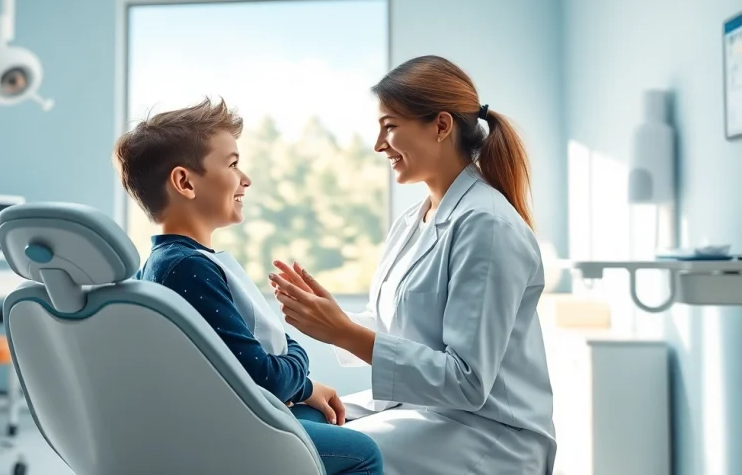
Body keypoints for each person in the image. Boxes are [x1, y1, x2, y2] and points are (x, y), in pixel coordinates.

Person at [269, 55, 557, 475]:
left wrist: (344, 332)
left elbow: (467, 381)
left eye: (390, 126)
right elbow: (403, 328)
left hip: (487, 432)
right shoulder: (413, 221)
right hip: (425, 413)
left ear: (441, 126)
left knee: (297, 452)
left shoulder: (487, 225)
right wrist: (331, 317)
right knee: (289, 424)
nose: (378, 144)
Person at [113, 98, 384, 475]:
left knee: (316, 415)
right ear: (185, 182)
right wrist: (300, 370)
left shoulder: (167, 263)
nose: (246, 179)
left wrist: (303, 388)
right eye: (233, 163)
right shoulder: (188, 269)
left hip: (216, 423)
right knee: (363, 452)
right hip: (222, 436)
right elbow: (264, 376)